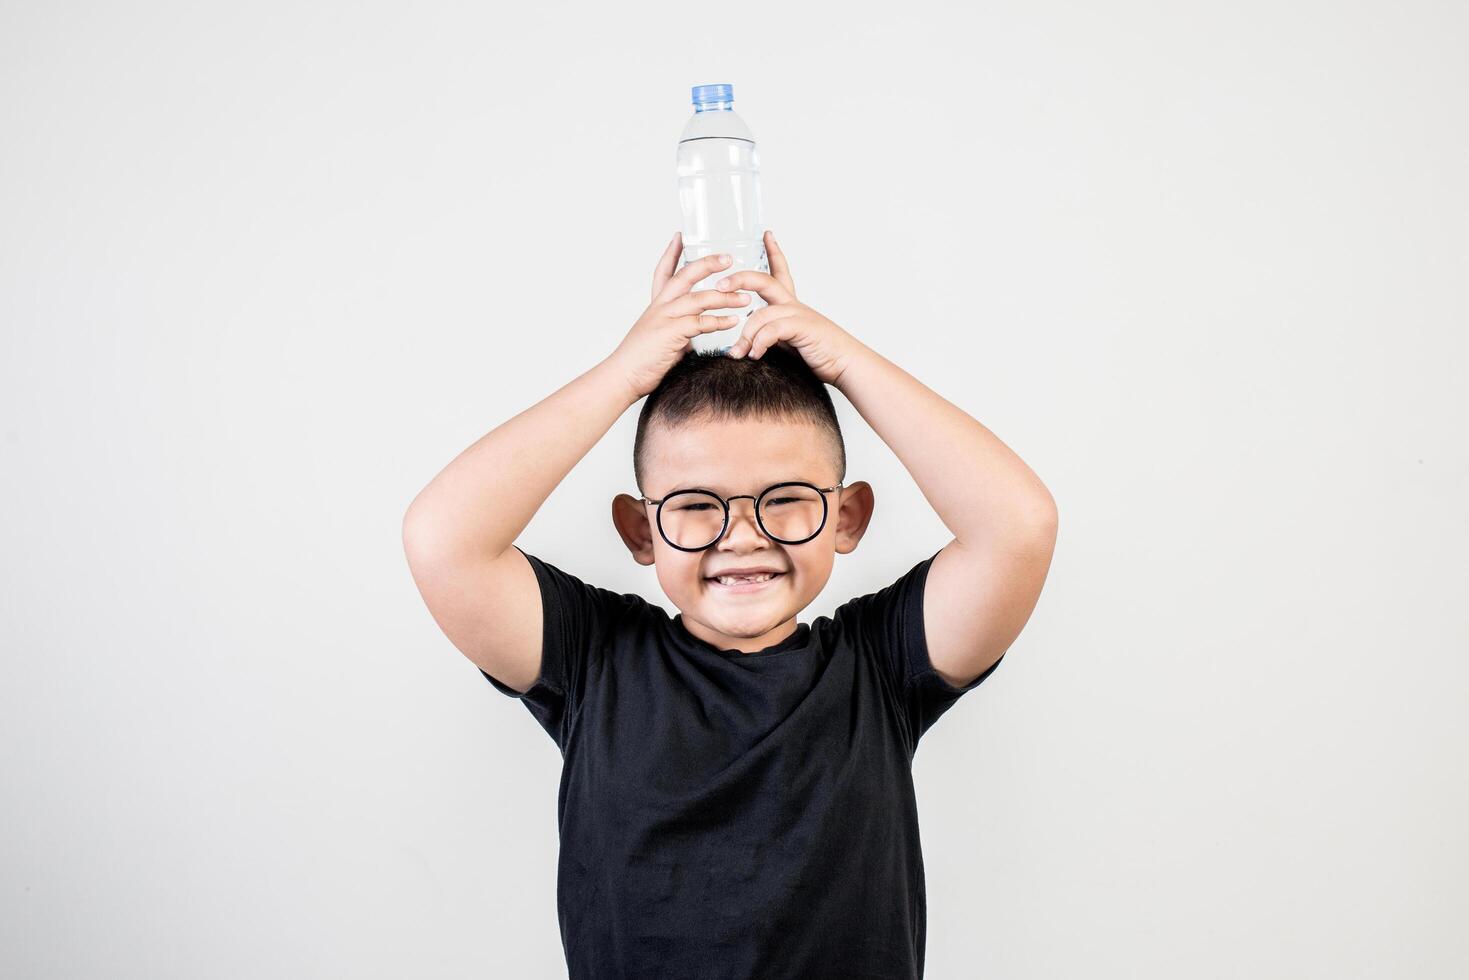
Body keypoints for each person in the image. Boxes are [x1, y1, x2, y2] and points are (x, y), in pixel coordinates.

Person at [402, 230, 1059, 979]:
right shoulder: (593, 662)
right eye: (692, 505)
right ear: (639, 531)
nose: (742, 537)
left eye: (784, 500)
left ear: (847, 519)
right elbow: (442, 539)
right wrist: (622, 375)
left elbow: (1017, 528)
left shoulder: (879, 666)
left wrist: (845, 362)